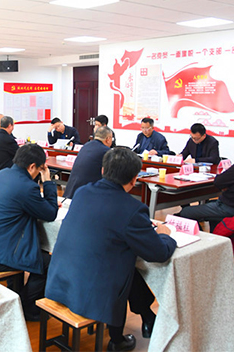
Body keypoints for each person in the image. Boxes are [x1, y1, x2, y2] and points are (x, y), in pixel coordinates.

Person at [46, 148, 177, 351]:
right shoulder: (132, 209)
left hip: (60, 281)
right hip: (90, 293)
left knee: (123, 261)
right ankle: (118, 339)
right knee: (124, 266)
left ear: (102, 170)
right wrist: (165, 235)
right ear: (134, 180)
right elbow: (158, 253)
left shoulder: (82, 193)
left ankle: (146, 318)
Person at [0, 143, 59, 320]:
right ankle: (27, 307)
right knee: (49, 262)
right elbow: (51, 213)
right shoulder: (26, 187)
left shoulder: (2, 174)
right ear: (32, 167)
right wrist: (47, 182)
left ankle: (19, 298)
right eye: (40, 169)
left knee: (33, 254)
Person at [179, 132, 234, 231]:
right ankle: (216, 235)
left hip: (230, 208)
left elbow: (218, 182)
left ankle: (202, 238)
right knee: (210, 205)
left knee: (186, 212)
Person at [63, 126, 113, 199]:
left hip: (71, 192)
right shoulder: (106, 151)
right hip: (86, 195)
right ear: (108, 139)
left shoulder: (85, 146)